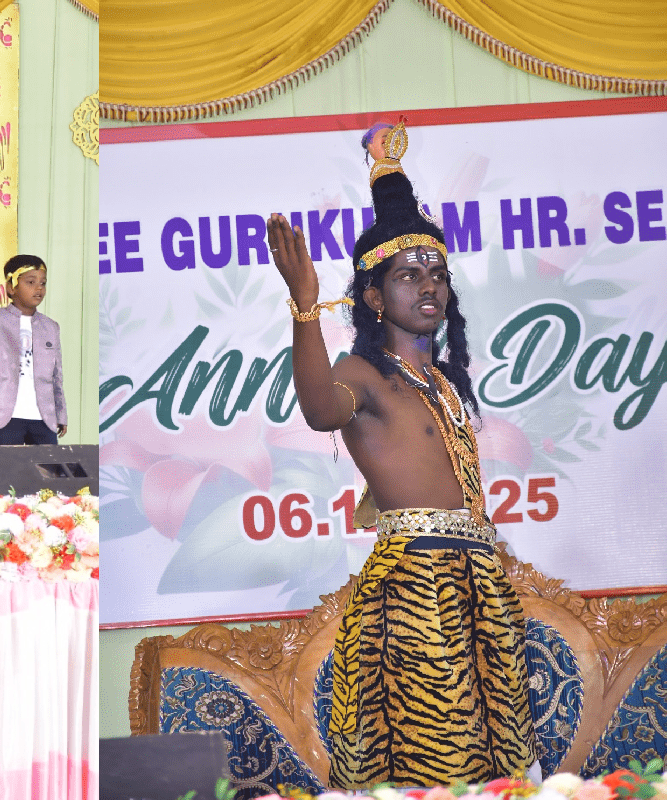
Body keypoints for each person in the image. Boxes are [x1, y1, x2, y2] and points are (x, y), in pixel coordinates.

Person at [269, 120, 531, 788]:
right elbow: (320, 410)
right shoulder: (363, 373)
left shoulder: (442, 380)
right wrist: (304, 308)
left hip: (476, 581)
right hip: (415, 586)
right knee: (435, 763)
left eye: (437, 273)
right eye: (409, 275)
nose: (429, 286)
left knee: (496, 767)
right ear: (374, 296)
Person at [0, 254, 65, 445]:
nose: (39, 288)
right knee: (5, 464)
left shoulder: (51, 327)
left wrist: (60, 413)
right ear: (11, 287)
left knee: (48, 464)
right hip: (2, 416)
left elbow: (56, 375)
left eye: (43, 283)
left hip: (43, 418)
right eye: (31, 282)